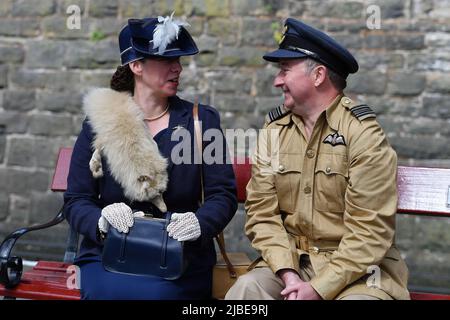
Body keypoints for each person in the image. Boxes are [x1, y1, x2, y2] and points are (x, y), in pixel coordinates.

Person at [225, 18, 410, 300]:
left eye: (285, 70)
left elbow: (370, 233)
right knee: (246, 291)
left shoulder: (363, 135)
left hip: (359, 274)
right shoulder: (274, 131)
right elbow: (262, 214)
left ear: (318, 75)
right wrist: (288, 274)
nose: (277, 81)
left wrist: (318, 289)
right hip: (291, 265)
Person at [64, 14, 237, 300]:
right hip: (109, 255)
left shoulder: (202, 121)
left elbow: (223, 195)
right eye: (167, 61)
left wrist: (199, 223)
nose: (177, 68)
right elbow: (76, 200)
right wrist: (101, 220)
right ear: (136, 66)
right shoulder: (99, 123)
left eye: (179, 60)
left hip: (180, 258)